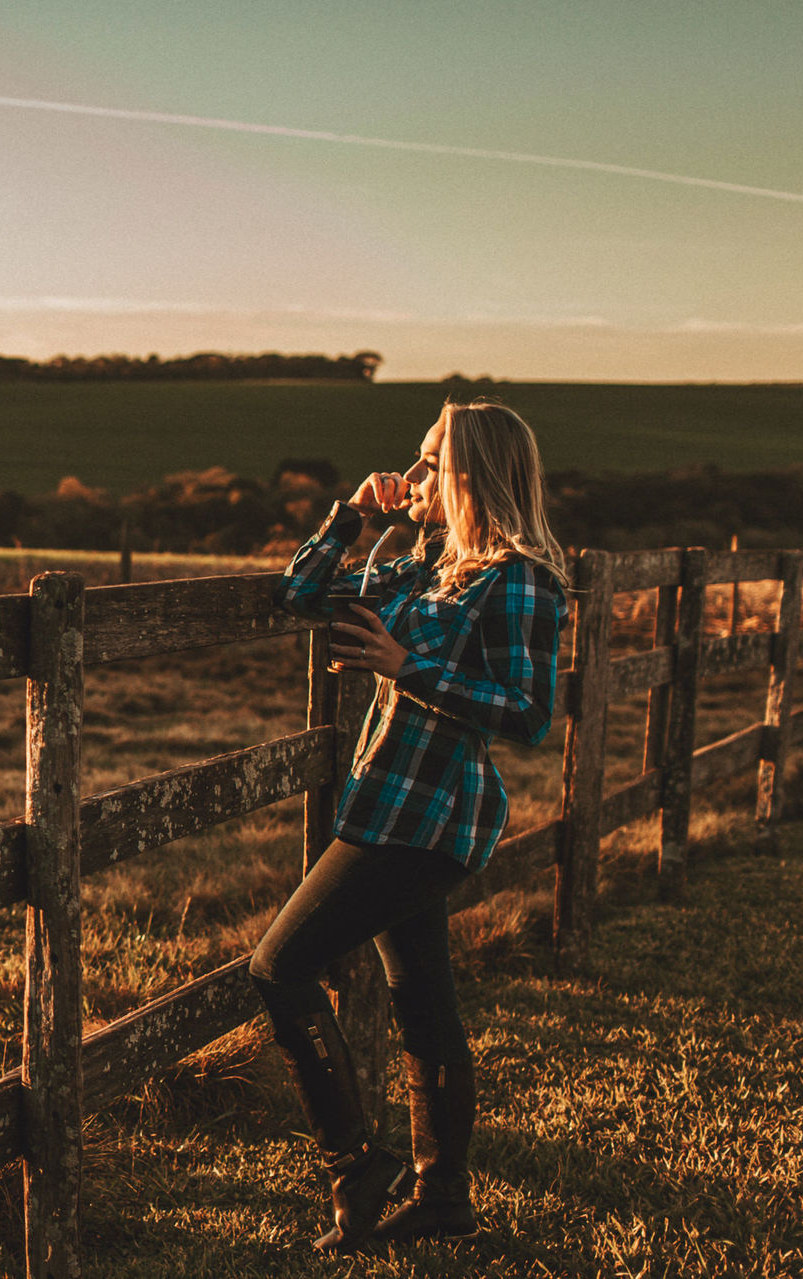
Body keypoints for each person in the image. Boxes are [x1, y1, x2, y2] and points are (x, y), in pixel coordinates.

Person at [252, 399, 569, 1251]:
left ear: (467, 473)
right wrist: (353, 515)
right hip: (386, 801)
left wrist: (409, 667)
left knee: (279, 965)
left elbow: (531, 713)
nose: (414, 473)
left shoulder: (522, 577)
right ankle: (442, 1201)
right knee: (424, 1004)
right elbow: (302, 593)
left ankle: (354, 1161)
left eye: (430, 461)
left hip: (429, 818)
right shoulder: (431, 567)